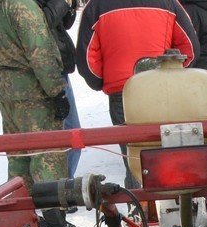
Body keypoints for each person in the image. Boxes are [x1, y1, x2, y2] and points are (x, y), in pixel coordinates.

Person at [0, 0, 92, 227]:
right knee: (48, 155)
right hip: (33, 91)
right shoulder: (22, 6)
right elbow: (40, 50)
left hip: (8, 89)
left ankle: (21, 218)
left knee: (19, 157)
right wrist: (56, 91)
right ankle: (57, 223)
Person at [75, 0, 198, 183]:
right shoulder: (169, 3)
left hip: (123, 92)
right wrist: (172, 73)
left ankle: (137, 207)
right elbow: (190, 49)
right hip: (161, 86)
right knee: (166, 152)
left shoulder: (96, 6)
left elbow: (87, 60)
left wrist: (103, 81)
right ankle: (171, 201)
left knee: (133, 158)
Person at [36, 0, 83, 178]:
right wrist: (62, 3)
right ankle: (60, 190)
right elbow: (42, 23)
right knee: (67, 136)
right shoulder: (24, 5)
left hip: (58, 68)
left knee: (73, 136)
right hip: (47, 71)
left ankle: (63, 187)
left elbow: (65, 24)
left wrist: (70, 6)